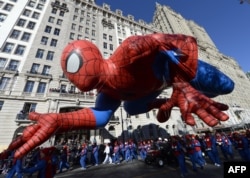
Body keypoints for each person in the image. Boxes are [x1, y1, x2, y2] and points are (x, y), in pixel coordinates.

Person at [1, 33, 234, 160]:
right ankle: (167, 103)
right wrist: (59, 120)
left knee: (226, 85)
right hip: (153, 91)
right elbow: (100, 117)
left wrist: (181, 84)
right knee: (131, 109)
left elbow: (186, 42)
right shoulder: (107, 91)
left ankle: (178, 96)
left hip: (176, 72)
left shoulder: (130, 49)